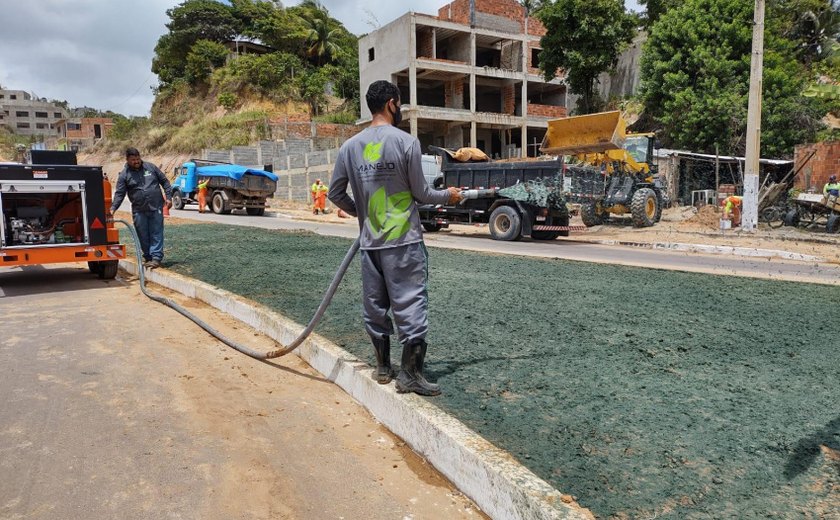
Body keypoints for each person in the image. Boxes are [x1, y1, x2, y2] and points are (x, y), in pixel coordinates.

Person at [328, 80, 462, 396]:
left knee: (375, 305)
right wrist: (449, 196)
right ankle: (411, 375)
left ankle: (384, 368)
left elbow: (335, 194)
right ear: (392, 103)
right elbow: (422, 193)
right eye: (398, 103)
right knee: (411, 304)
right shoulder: (406, 142)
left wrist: (363, 214)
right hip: (403, 241)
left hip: (371, 243)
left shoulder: (350, 147)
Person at [111, 147, 173, 269]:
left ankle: (156, 258)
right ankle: (148, 257)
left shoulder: (151, 168)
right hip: (139, 210)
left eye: (138, 158)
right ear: (127, 160)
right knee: (143, 234)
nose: (136, 161)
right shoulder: (124, 175)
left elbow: (165, 182)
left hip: (156, 206)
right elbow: (120, 194)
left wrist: (169, 197)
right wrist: (113, 208)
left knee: (156, 232)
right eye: (133, 160)